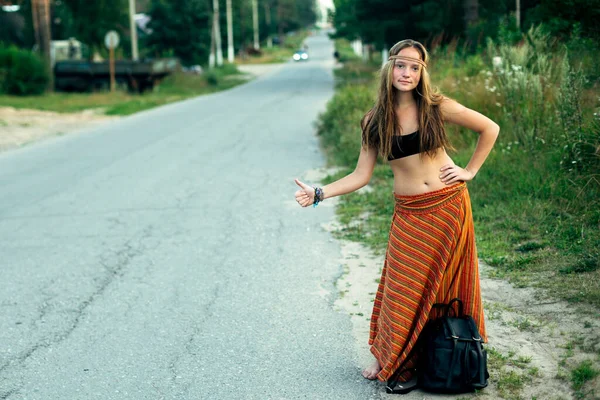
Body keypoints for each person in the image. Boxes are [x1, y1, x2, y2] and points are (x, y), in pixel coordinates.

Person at [294, 39, 499, 390]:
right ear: (389, 68)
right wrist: (319, 192)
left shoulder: (436, 106)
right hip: (411, 212)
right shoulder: (374, 121)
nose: (407, 73)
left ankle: (454, 355)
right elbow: (361, 176)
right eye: (401, 65)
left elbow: (489, 128)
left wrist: (470, 170)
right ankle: (393, 359)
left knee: (446, 286)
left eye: (415, 67)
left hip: (449, 205)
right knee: (401, 286)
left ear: (422, 73)